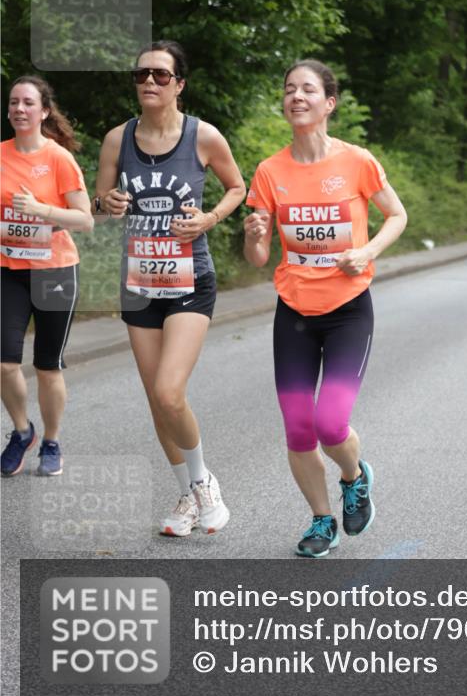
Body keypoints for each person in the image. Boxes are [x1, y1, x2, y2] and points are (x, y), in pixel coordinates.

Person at [244, 60, 407, 558]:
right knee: (298, 428)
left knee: (330, 424)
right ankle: (321, 522)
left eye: (308, 89)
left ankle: (354, 477)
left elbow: (396, 215)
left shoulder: (356, 161)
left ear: (328, 102)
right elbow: (257, 258)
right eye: (290, 89)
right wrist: (254, 237)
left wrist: (368, 252)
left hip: (348, 309)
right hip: (293, 309)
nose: (297, 96)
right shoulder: (271, 171)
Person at [94, 41, 245, 536]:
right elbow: (99, 200)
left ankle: (204, 485)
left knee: (169, 391)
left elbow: (237, 188)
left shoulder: (203, 137)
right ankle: (186, 495)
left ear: (180, 84)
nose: (150, 83)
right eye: (142, 75)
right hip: (138, 284)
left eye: (161, 75)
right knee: (155, 400)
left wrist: (208, 219)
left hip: (189, 281)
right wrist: (109, 203)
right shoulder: (119, 139)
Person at [1, 75, 93, 477]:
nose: (19, 109)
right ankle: (22, 431)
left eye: (28, 103)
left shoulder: (58, 158)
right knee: (4, 364)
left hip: (55, 272)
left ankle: (52, 441)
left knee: (47, 366)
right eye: (13, 103)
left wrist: (42, 210)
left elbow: (85, 219)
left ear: (43, 111)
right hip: (9, 271)